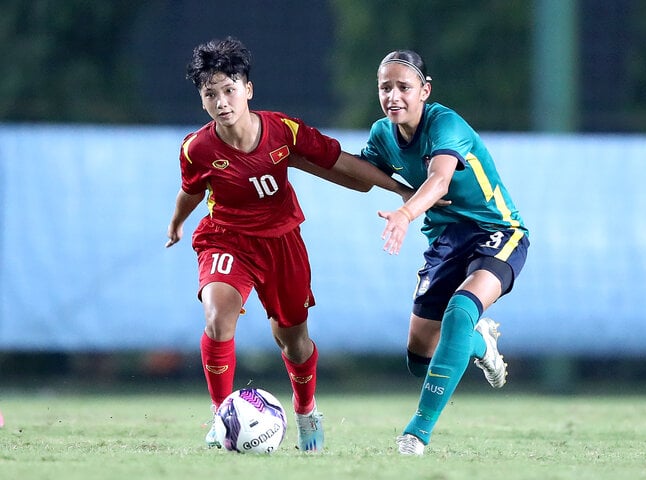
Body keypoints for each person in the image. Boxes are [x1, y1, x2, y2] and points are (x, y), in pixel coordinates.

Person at [165, 37, 411, 452]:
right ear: (202, 101)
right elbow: (191, 189)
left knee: (294, 342)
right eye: (211, 94)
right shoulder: (197, 148)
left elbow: (342, 163)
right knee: (217, 317)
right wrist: (176, 223)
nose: (222, 102)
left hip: (281, 244)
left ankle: (305, 410)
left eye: (229, 89)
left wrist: (402, 191)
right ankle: (221, 415)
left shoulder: (283, 130)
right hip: (225, 238)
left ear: (248, 89)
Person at [358, 50, 530, 455]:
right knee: (420, 359)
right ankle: (476, 344)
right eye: (386, 88)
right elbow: (360, 171)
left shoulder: (445, 124)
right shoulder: (382, 133)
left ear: (425, 90)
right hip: (445, 242)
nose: (394, 96)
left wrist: (404, 211)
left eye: (404, 87)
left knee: (461, 309)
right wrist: (301, 156)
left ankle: (416, 433)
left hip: (497, 230)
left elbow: (438, 179)